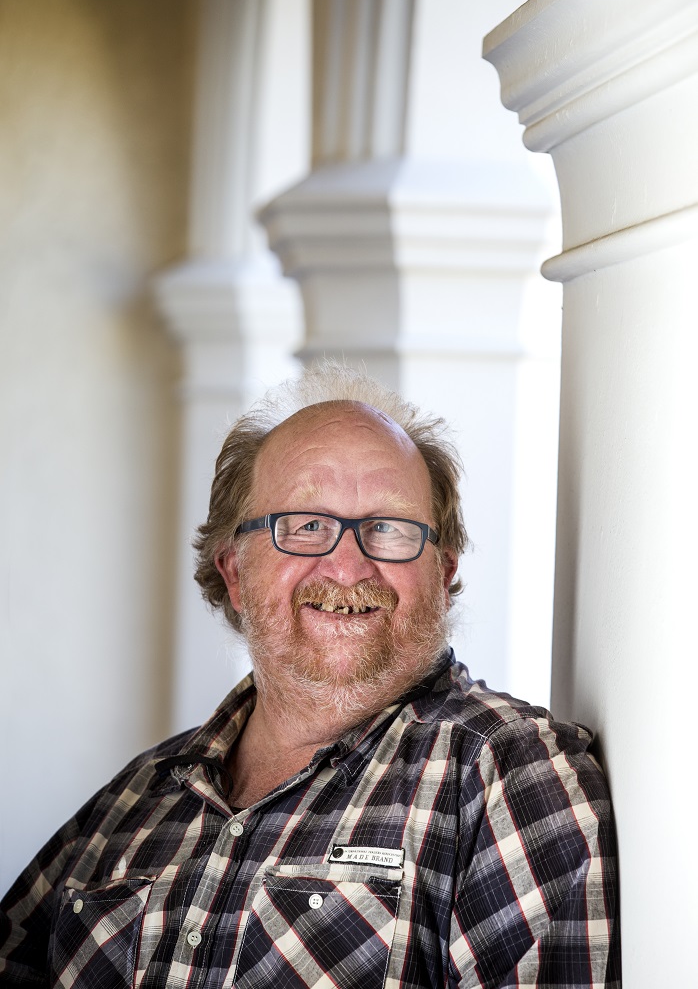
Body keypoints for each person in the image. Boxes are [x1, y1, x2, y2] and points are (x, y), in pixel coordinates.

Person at [0, 364, 620, 988]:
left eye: (389, 528)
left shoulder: (507, 776)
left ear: (443, 571)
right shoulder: (136, 799)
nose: (348, 569)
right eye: (306, 527)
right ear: (235, 573)